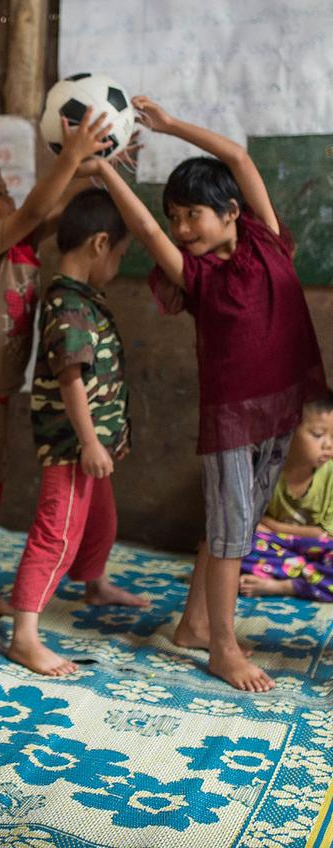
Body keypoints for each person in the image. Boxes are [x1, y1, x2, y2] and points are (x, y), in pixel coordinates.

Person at [93, 97, 326, 692]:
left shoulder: (268, 239)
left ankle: (195, 624)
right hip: (231, 421)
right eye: (175, 217)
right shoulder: (193, 275)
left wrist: (170, 127)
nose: (181, 228)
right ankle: (222, 648)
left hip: (282, 410)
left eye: (192, 214)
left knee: (236, 529)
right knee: (229, 534)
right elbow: (144, 228)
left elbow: (239, 158)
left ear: (230, 213)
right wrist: (109, 174)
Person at [0, 112, 114, 616]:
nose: (10, 200)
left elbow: (50, 213)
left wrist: (92, 167)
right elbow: (36, 208)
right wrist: (72, 157)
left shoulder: (20, 243)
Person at [6, 189, 148, 676]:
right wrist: (88, 442)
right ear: (100, 243)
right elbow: (70, 377)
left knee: (100, 522)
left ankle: (94, 581)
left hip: (93, 444)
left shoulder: (79, 297)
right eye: (121, 255)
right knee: (57, 534)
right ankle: (24, 634)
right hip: (72, 446)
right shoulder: (68, 304)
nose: (118, 265)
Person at [239, 395, 333, 600]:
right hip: (276, 547)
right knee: (236, 540)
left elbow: (323, 534)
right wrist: (259, 527)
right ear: (287, 431)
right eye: (318, 434)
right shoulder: (266, 468)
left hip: (322, 550)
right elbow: (249, 518)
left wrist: (273, 525)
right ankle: (308, 576)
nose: (329, 445)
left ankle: (286, 586)